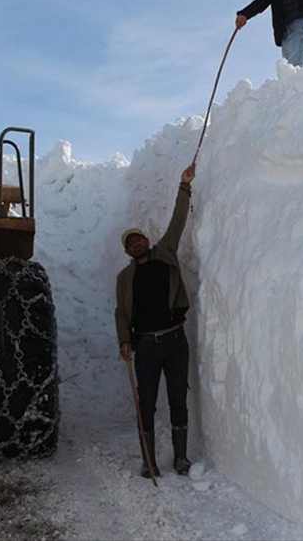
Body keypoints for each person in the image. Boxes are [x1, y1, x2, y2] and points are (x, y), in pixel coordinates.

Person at [115, 163, 197, 478]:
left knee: (178, 398)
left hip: (176, 341)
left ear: (147, 240)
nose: (138, 244)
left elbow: (178, 221)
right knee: (145, 404)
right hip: (146, 347)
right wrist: (124, 340)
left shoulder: (165, 254)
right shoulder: (125, 278)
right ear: (127, 251)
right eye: (131, 243)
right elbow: (121, 312)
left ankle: (180, 458)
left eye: (140, 239)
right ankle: (149, 462)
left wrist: (184, 185)